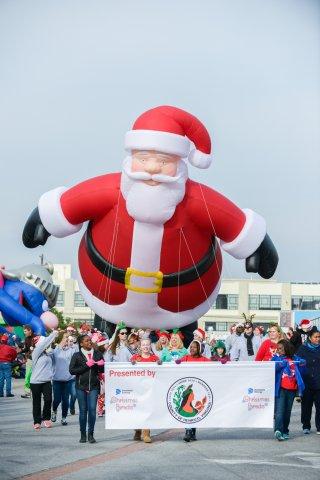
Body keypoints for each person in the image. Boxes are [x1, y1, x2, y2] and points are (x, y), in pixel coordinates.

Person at [69, 334, 104, 443]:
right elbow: (72, 370)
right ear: (81, 343)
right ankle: (83, 434)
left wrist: (101, 364)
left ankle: (91, 434)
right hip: (80, 387)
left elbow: (101, 369)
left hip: (93, 386)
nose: (89, 342)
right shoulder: (77, 355)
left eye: (90, 340)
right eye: (86, 341)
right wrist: (86, 365)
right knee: (83, 411)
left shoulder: (98, 354)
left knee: (92, 411)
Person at [271, 339, 305, 441]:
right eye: (278, 349)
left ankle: (285, 430)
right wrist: (279, 365)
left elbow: (302, 371)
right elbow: (271, 368)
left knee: (287, 411)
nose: (279, 350)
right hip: (280, 389)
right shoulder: (275, 358)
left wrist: (303, 363)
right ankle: (278, 430)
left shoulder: (294, 358)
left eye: (281, 348)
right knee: (280, 411)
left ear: (286, 348)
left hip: (292, 389)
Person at [176, 341, 209, 442]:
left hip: (200, 388)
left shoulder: (204, 359)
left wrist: (221, 361)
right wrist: (176, 363)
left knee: (196, 410)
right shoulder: (185, 358)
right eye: (191, 347)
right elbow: (173, 365)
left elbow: (215, 366)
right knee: (187, 408)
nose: (192, 349)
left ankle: (193, 432)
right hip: (189, 388)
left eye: (194, 347)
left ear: (199, 348)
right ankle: (188, 431)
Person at [131, 338, 160, 443]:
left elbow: (160, 371)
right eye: (143, 345)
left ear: (150, 346)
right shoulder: (135, 357)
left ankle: (146, 433)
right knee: (139, 411)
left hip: (150, 389)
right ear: (140, 346)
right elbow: (128, 369)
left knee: (148, 410)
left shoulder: (155, 358)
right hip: (138, 389)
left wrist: (160, 363)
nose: (145, 346)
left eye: (147, 345)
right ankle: (138, 430)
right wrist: (132, 363)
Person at [30, 331, 58, 430]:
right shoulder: (36, 352)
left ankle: (46, 418)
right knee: (36, 402)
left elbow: (54, 364)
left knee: (48, 400)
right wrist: (53, 334)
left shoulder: (48, 353)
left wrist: (52, 375)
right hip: (35, 382)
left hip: (46, 381)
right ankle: (37, 421)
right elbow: (45, 343)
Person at [296, 329, 320, 435]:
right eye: (315, 337)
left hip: (318, 381)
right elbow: (296, 362)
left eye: (319, 337)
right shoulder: (303, 349)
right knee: (306, 406)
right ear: (310, 338)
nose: (318, 339)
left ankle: (319, 427)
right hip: (307, 381)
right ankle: (306, 426)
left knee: (319, 406)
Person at [51, 332, 77, 426]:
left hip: (68, 380)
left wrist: (72, 343)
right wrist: (63, 338)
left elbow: (77, 352)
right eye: (66, 338)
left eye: (68, 339)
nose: (67, 340)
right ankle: (54, 411)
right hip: (57, 380)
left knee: (65, 400)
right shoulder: (55, 351)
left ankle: (64, 418)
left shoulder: (72, 350)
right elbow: (58, 345)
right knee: (57, 399)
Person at [20, 325, 35, 399]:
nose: (24, 333)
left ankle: (39, 392)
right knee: (27, 376)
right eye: (24, 332)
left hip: (37, 360)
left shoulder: (36, 338)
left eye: (25, 331)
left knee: (37, 376)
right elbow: (26, 349)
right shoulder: (26, 339)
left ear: (30, 331)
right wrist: (21, 350)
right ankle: (27, 392)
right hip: (30, 360)